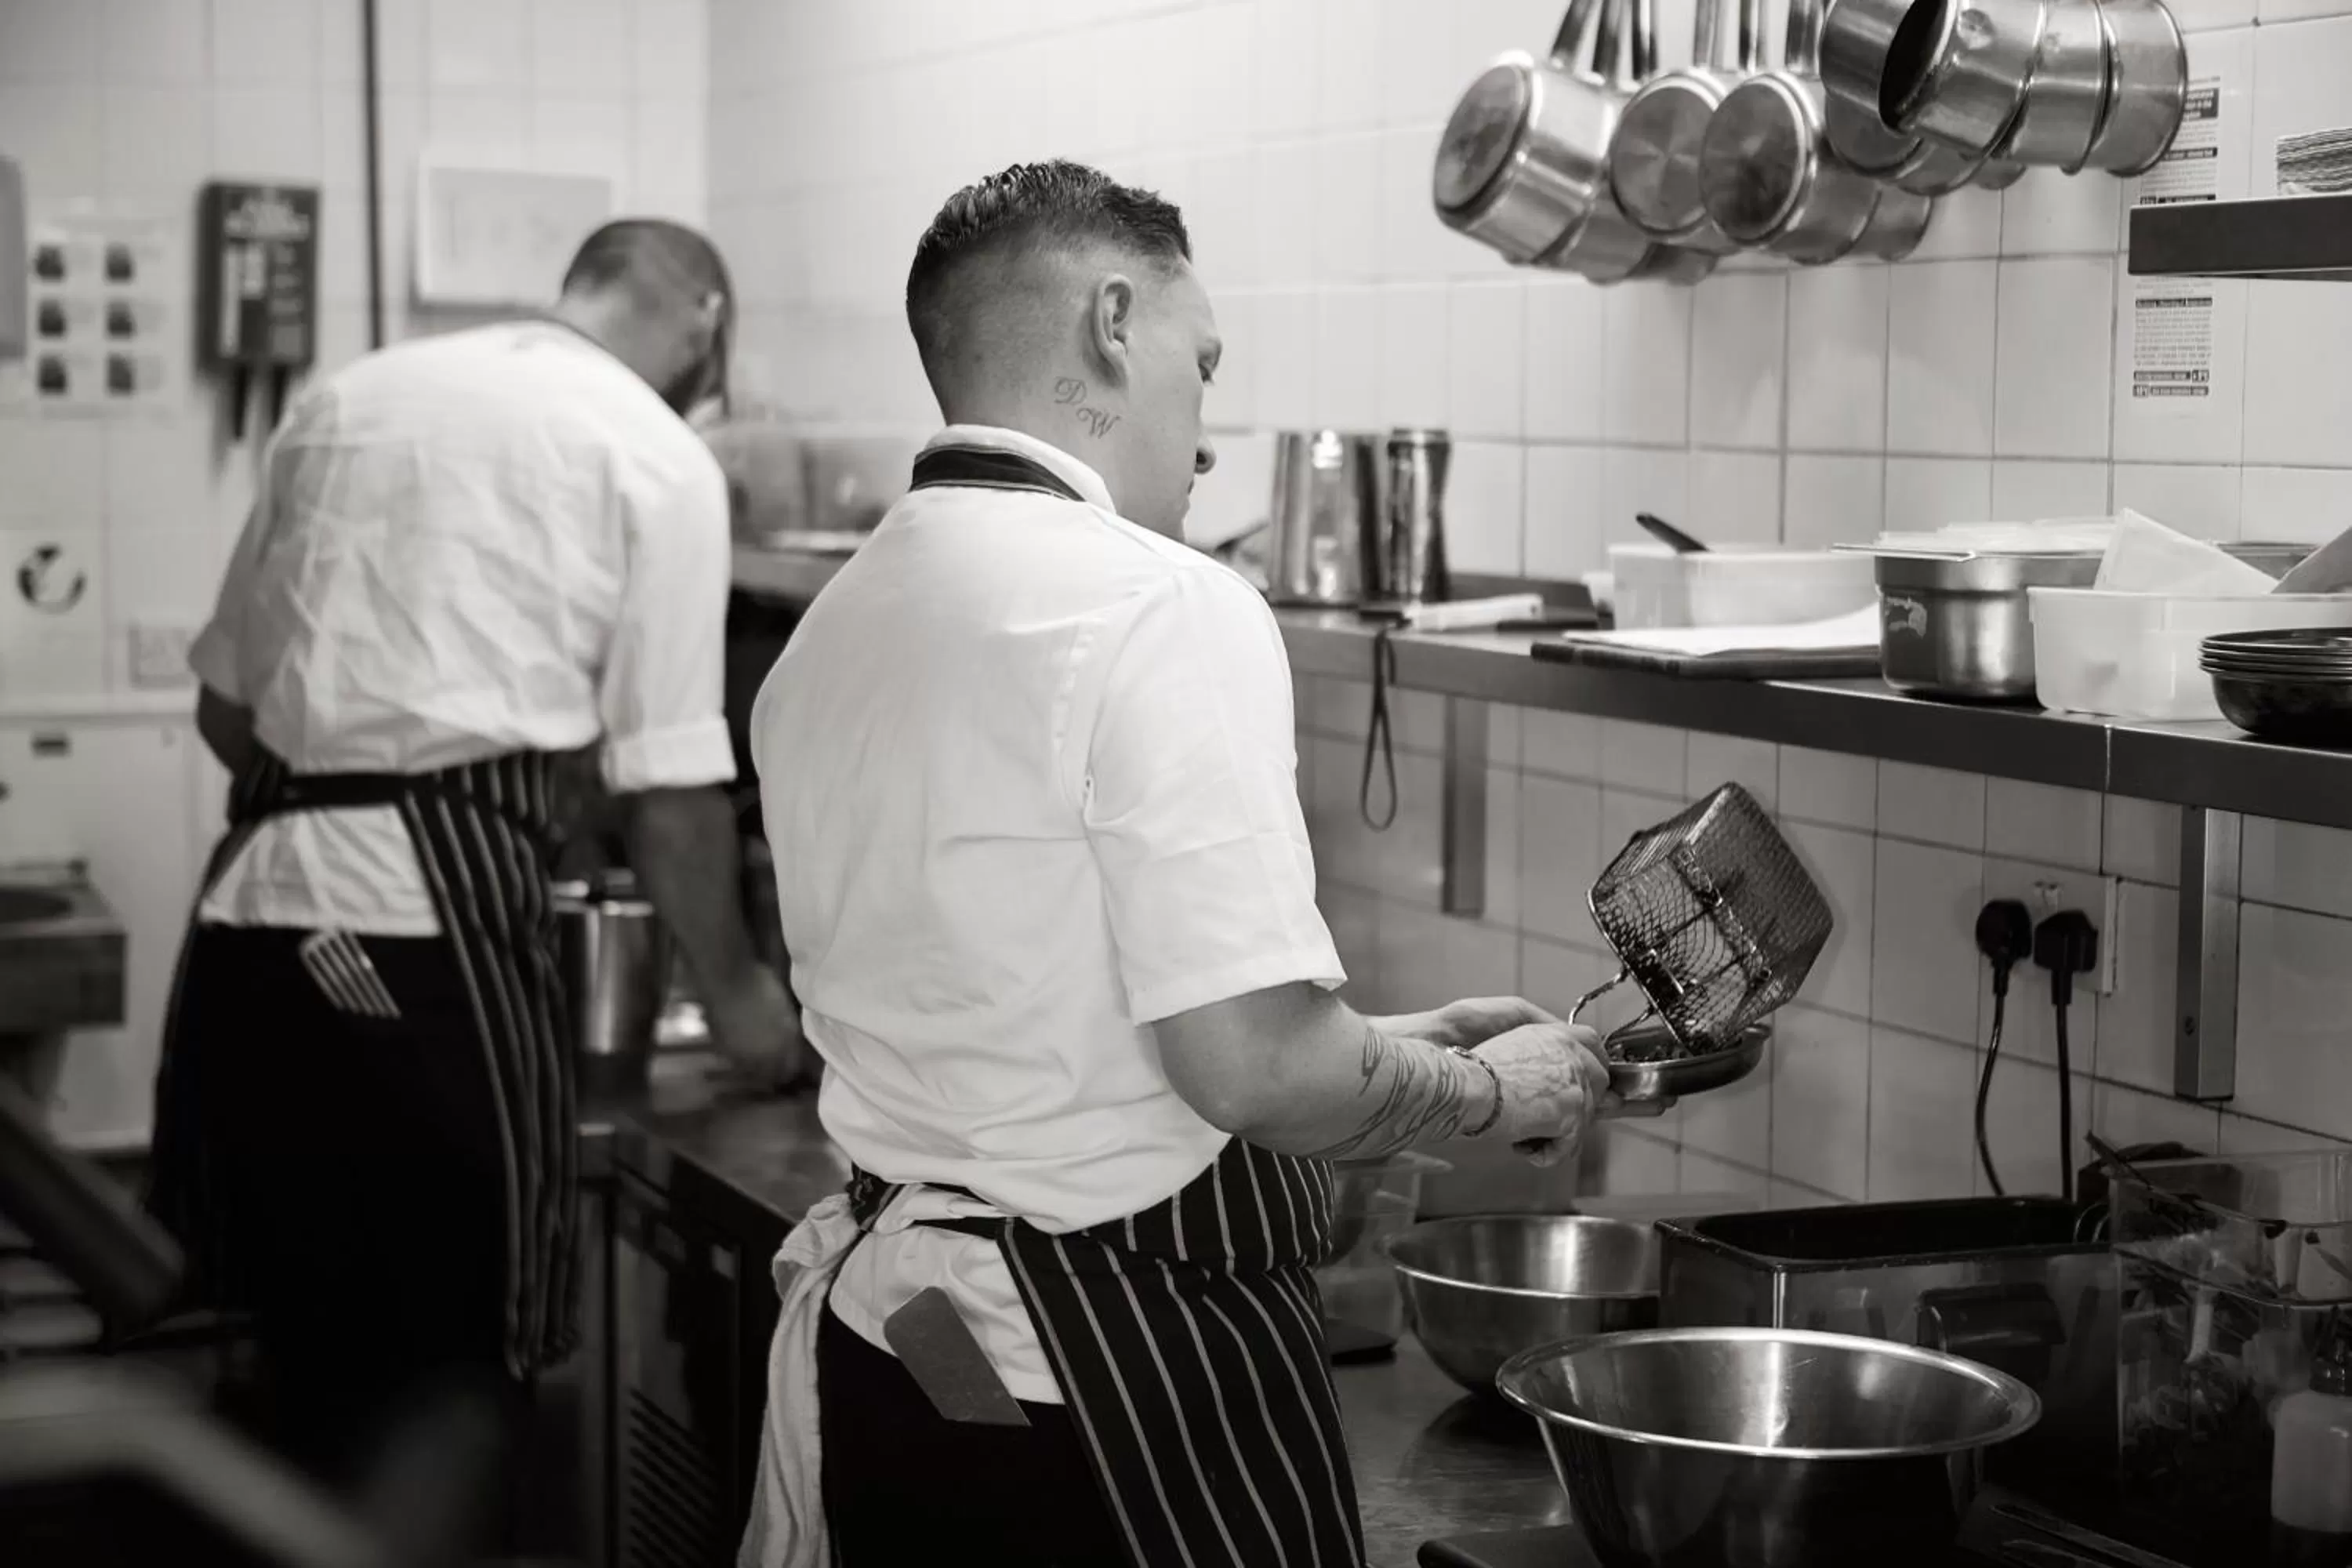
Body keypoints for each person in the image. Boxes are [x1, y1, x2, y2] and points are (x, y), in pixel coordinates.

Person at [741, 162, 1612, 1568]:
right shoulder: (1161, 603)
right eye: (1201, 368)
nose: (1206, 442)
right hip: (1107, 1368)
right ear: (1109, 322)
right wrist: (1477, 1094)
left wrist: (1378, 1042)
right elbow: (1256, 1070)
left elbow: (1050, 1030)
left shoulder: (835, 625)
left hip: (909, 1344)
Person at [146, 220, 804, 1532]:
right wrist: (745, 1007)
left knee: (296, 1369)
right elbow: (670, 803)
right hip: (411, 958)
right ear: (706, 323)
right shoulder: (655, 454)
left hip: (243, 947)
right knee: (451, 1374)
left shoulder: (355, 393)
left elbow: (231, 717)